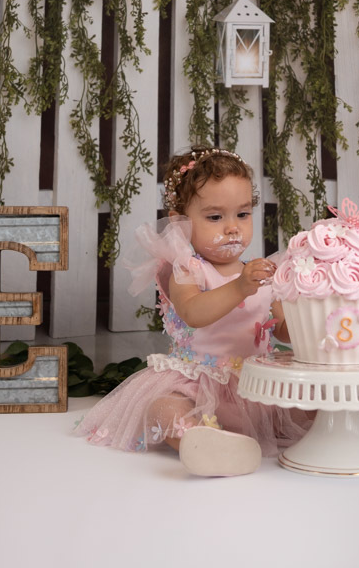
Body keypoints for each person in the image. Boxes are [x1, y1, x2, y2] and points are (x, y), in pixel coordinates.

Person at [74, 146, 308, 476]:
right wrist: (240, 286)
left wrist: (309, 325)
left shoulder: (261, 272)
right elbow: (193, 312)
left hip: (255, 388)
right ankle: (201, 442)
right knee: (164, 407)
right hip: (197, 383)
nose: (232, 228)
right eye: (215, 217)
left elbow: (282, 328)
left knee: (308, 402)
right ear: (180, 221)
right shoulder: (186, 270)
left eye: (242, 214)